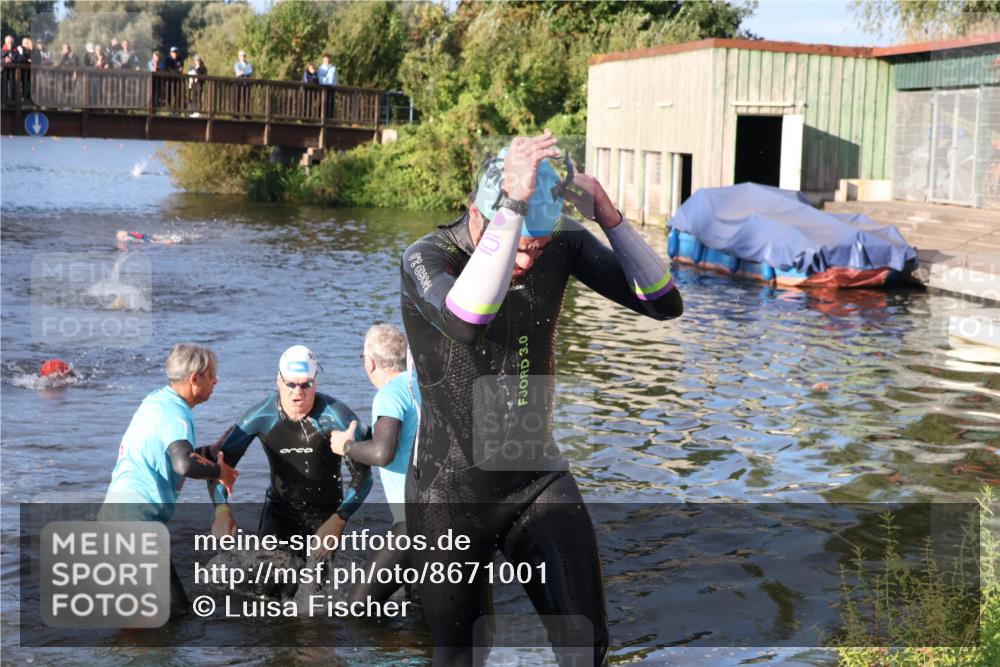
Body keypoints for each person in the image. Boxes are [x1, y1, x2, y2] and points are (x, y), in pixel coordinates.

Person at [400, 131, 683, 665]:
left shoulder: (564, 246)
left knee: (587, 652)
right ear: (477, 213)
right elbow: (466, 322)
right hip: (449, 493)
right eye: (518, 245)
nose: (526, 262)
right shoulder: (427, 258)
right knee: (462, 658)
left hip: (536, 478)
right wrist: (511, 209)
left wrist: (606, 211)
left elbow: (664, 304)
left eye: (539, 246)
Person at [206, 345, 371, 572]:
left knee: (315, 596)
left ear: (316, 383)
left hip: (326, 515)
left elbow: (363, 475)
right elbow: (218, 466)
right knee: (266, 587)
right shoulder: (261, 416)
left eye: (306, 385)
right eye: (291, 384)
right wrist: (221, 510)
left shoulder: (338, 417)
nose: (297, 392)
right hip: (279, 509)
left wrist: (339, 519)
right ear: (278, 381)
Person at [101, 344, 237, 617]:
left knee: (160, 618)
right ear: (194, 378)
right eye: (211, 374)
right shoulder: (176, 414)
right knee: (167, 619)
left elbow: (168, 457)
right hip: (135, 526)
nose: (216, 381)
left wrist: (208, 455)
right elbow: (184, 463)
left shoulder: (156, 401)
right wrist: (219, 472)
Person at [329, 324, 420, 606]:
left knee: (359, 606)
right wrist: (368, 435)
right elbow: (409, 436)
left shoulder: (389, 395)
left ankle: (389, 651)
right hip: (443, 514)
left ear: (369, 362)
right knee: (422, 604)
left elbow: (382, 454)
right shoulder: (419, 384)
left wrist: (345, 446)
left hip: (411, 523)